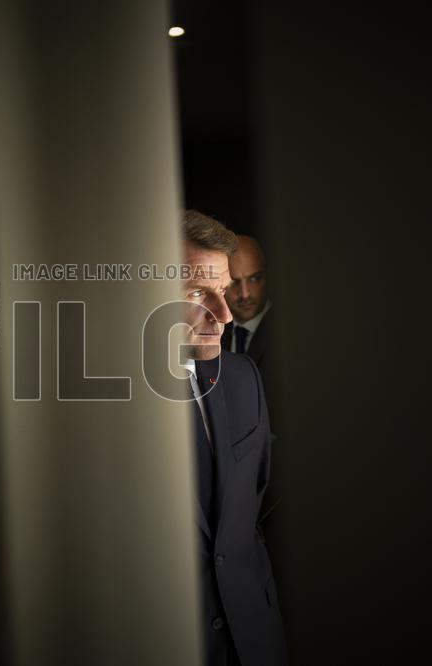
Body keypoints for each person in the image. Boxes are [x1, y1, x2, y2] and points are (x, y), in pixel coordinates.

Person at [180, 211, 287, 665]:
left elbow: (255, 506)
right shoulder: (101, 407)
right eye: (197, 293)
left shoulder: (244, 378)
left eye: (221, 291)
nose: (223, 315)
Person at [222, 235, 271, 374]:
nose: (244, 294)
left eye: (254, 279)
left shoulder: (288, 331)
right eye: (233, 282)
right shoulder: (212, 329)